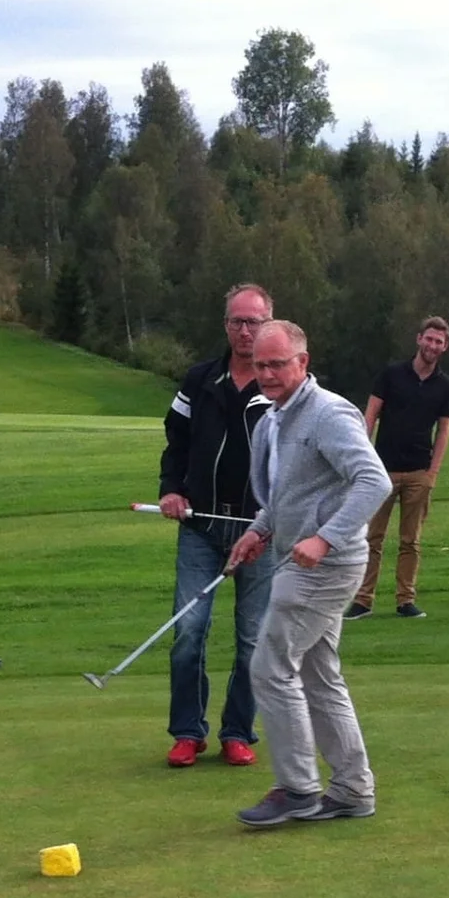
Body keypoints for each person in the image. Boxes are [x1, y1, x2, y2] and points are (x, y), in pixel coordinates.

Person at [228, 321, 392, 828]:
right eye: (260, 365)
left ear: (303, 362)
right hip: (296, 560)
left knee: (270, 666)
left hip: (327, 566)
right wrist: (259, 530)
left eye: (278, 364)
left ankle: (298, 788)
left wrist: (325, 537)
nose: (269, 374)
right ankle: (352, 788)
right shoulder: (271, 421)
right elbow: (285, 498)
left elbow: (374, 481)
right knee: (319, 675)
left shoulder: (329, 414)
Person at [155, 283, 277, 768]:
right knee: (188, 632)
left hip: (262, 531)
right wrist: (171, 488)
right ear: (225, 325)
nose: (245, 330)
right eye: (236, 321)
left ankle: (238, 731)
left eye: (254, 321)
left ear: (269, 323)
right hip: (201, 526)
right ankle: (188, 731)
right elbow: (175, 441)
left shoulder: (280, 384)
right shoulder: (200, 379)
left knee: (254, 639)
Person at [350, 315, 449, 619]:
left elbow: (444, 430)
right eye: (429, 339)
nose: (432, 345)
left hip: (419, 471)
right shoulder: (391, 374)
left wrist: (433, 473)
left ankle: (405, 599)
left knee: (411, 541)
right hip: (381, 470)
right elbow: (369, 417)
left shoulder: (445, 386)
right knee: (372, 538)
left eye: (439, 342)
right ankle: (362, 599)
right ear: (419, 339)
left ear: (444, 347)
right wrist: (362, 460)